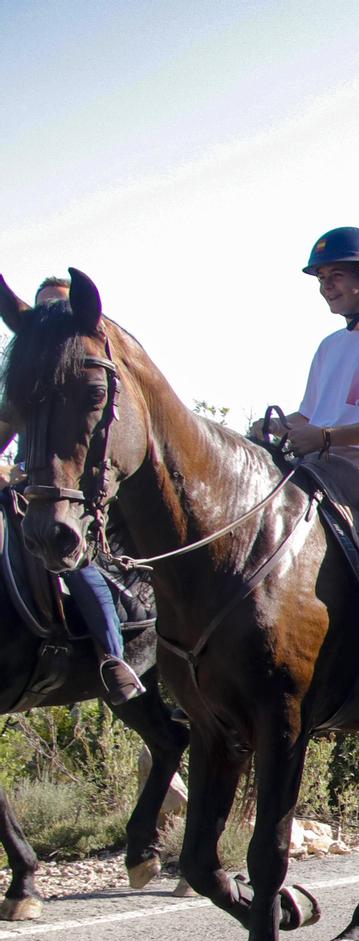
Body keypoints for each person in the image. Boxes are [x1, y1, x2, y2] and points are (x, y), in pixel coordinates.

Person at [249, 229, 359, 724]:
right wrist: (280, 427)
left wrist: (328, 437)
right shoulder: (329, 346)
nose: (326, 286)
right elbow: (309, 418)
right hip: (320, 465)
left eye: (336, 276)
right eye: (322, 278)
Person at [0, 277, 149, 701]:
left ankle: (112, 657)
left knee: (73, 563)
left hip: (72, 496)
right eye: (44, 309)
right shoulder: (29, 384)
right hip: (25, 490)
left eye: (59, 309)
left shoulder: (84, 374)